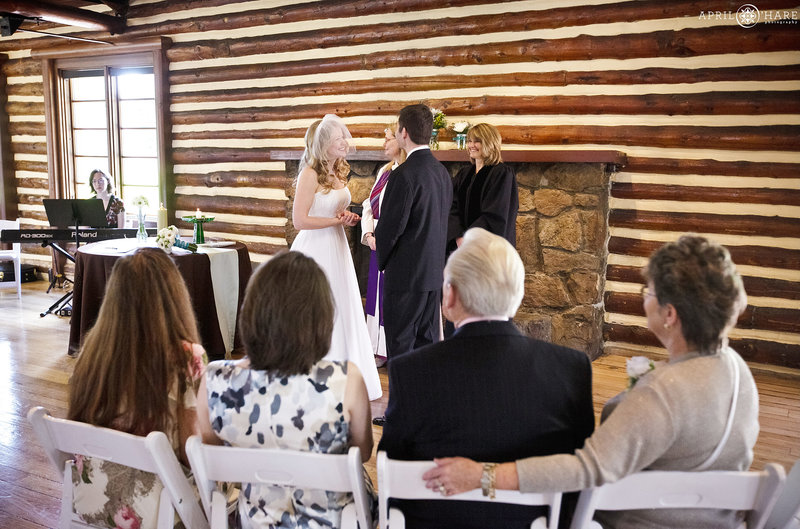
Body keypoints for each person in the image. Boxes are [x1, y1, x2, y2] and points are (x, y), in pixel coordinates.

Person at [424, 234, 758, 529]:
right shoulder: (736, 369)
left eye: (649, 291)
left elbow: (586, 468)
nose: (645, 297)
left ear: (670, 315)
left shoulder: (662, 393)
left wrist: (484, 476)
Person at [378, 228, 594, 529]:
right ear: (518, 295)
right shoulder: (571, 368)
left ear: (450, 295)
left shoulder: (410, 370)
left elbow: (392, 471)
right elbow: (580, 477)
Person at [197, 251, 377, 529]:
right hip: (335, 520)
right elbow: (363, 453)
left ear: (252, 311)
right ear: (320, 319)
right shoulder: (345, 380)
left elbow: (211, 449)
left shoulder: (215, 379)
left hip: (254, 519)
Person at [67, 247, 206, 528]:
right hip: (159, 506)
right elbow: (192, 452)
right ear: (174, 297)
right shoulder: (186, 357)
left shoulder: (91, 352)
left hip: (91, 497)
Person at [290, 114, 382, 400]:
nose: (345, 142)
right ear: (324, 143)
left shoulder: (338, 173)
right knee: (319, 308)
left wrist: (348, 218)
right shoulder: (309, 174)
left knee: (342, 304)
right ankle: (311, 378)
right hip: (315, 249)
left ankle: (345, 375)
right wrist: (334, 222)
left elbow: (334, 212)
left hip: (337, 245)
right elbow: (299, 221)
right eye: (338, 138)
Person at [375, 103, 452, 359]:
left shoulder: (403, 175)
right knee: (426, 348)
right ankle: (424, 399)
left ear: (404, 132)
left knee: (401, 347)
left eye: (397, 129)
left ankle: (403, 400)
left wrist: (382, 260)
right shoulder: (442, 173)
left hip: (405, 277)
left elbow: (390, 227)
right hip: (432, 276)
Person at [360, 122, 407, 367]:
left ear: (401, 140)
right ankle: (376, 348)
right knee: (375, 295)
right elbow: (369, 205)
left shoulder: (408, 172)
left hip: (392, 242)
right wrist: (369, 234)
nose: (384, 143)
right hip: (376, 239)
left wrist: (383, 237)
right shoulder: (384, 171)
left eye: (388, 138)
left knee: (389, 296)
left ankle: (390, 348)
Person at [447, 123, 517, 250]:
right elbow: (452, 206)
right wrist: (457, 236)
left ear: (490, 143)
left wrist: (468, 238)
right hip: (461, 246)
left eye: (477, 141)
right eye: (469, 141)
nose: (471, 145)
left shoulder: (501, 173)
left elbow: (496, 214)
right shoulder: (465, 173)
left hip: (487, 247)